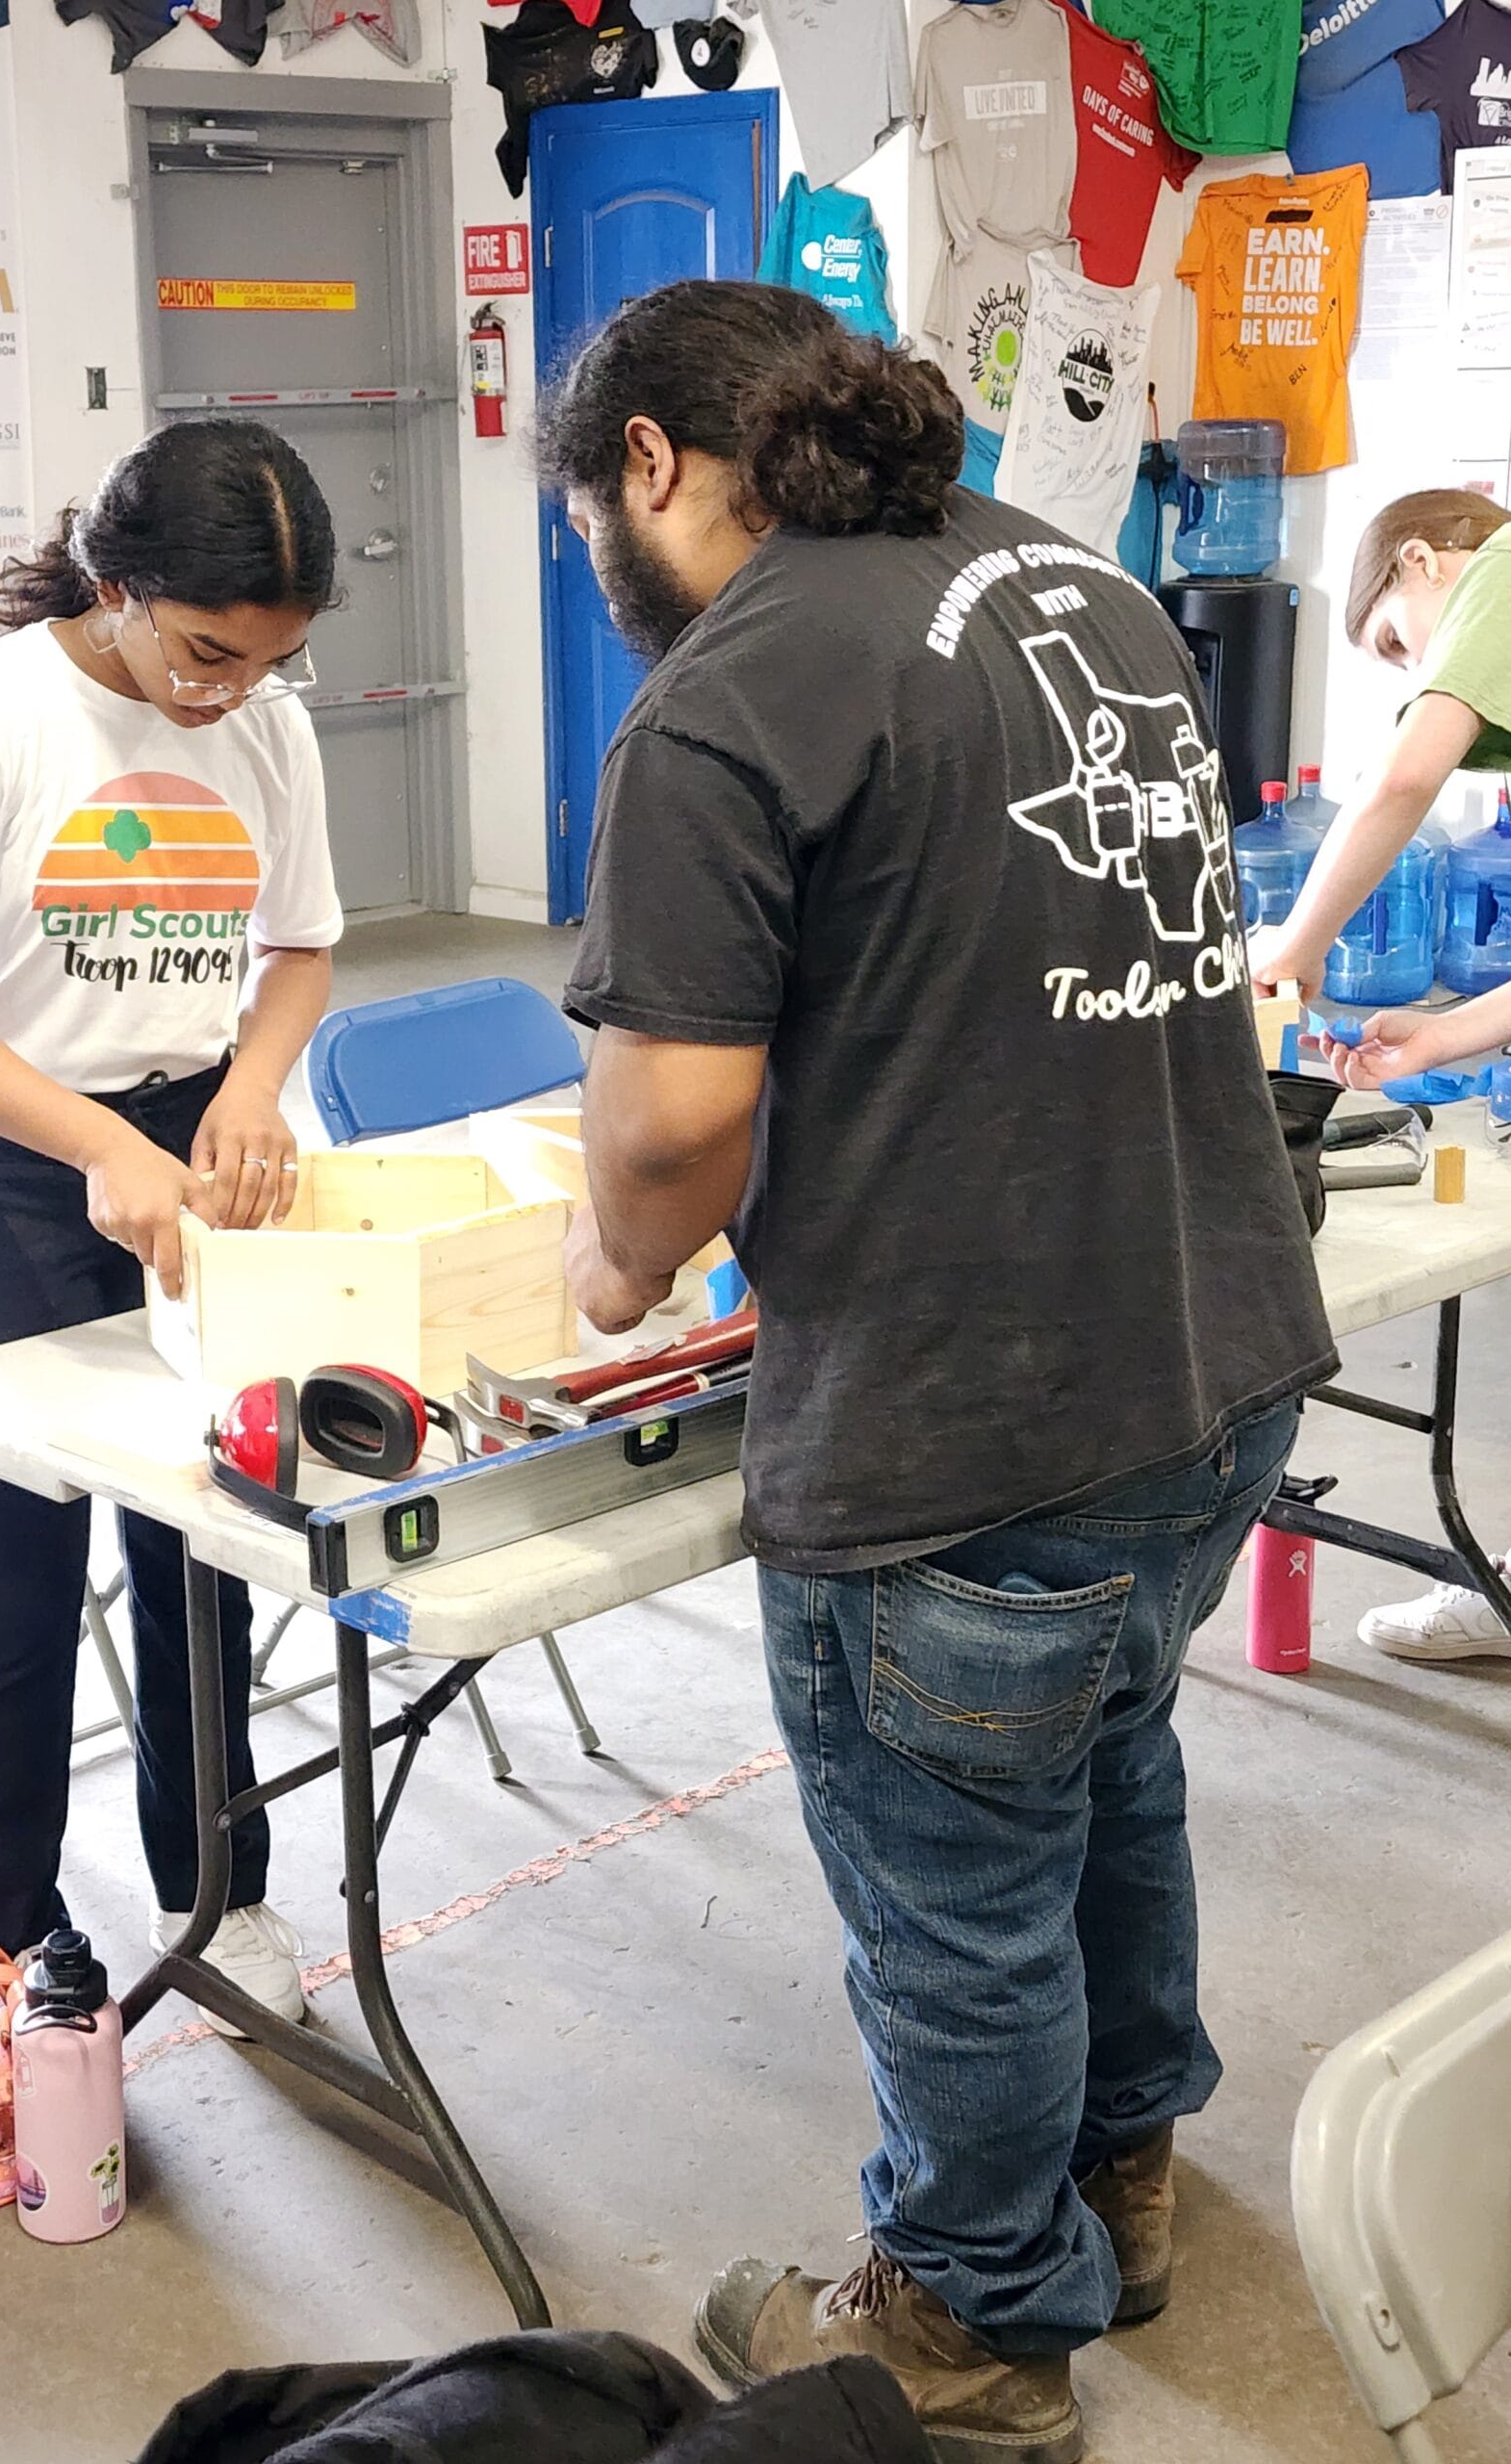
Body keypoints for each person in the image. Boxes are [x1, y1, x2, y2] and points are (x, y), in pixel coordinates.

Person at [542, 280, 1335, 2464]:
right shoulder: (1077, 584)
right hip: (1208, 1356)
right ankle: (1116, 2177)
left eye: (578, 510)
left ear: (645, 466)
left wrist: (613, 1255)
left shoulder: (728, 696)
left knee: (959, 1899)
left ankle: (971, 2324)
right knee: (1106, 1773)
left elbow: (675, 1129)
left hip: (968, 1431)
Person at [0, 421, 344, 2021]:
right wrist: (89, 1145)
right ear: (116, 586)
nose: (229, 692)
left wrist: (254, 1088)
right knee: (20, 1566)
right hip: (6, 1154)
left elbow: (301, 951)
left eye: (268, 661)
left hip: (191, 1141)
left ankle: (222, 1896)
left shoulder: (266, 723)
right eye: (207, 651)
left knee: (200, 1544)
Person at [1247, 487, 1511, 1665]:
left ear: (1424, 560)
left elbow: (1403, 781)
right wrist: (1448, 1041)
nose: (1419, 670)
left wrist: (1284, 958)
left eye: (1398, 640)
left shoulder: (1499, 566)